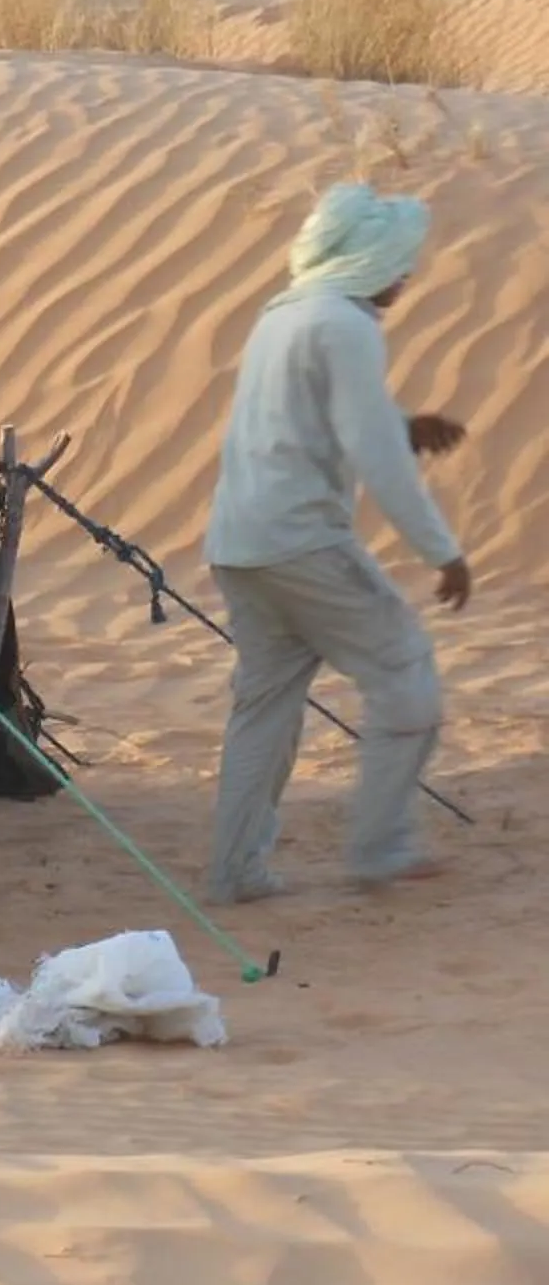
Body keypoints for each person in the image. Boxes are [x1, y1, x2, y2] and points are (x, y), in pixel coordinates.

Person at [203, 182, 470, 903]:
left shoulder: (284, 314)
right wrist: (443, 551)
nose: (405, 277)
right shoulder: (346, 325)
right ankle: (383, 849)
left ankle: (235, 872)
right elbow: (372, 454)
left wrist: (400, 424)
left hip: (239, 545)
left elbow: (309, 418)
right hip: (302, 543)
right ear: (367, 261)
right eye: (399, 262)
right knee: (405, 673)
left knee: (264, 711)